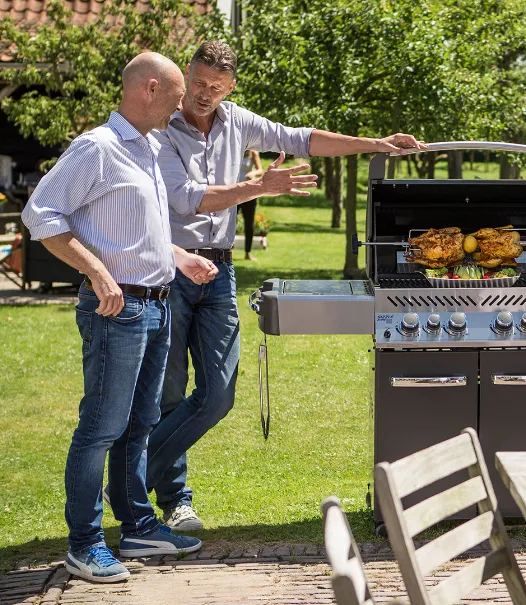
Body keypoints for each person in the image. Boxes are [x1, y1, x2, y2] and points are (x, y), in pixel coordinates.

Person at [145, 40, 427, 532]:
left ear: (230, 87)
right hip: (172, 267)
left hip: (220, 271)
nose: (204, 93)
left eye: (216, 86)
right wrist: (258, 187)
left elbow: (304, 139)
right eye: (198, 82)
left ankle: (128, 477)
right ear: (186, 76)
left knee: (218, 394)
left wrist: (376, 144)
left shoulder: (238, 121)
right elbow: (184, 199)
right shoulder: (162, 128)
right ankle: (175, 499)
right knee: (169, 393)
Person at [21, 52, 218, 584]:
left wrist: (178, 257)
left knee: (140, 424)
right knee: (101, 428)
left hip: (156, 304)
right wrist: (98, 274)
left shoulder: (150, 148)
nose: (182, 107)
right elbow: (40, 212)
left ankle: (136, 529)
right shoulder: (98, 149)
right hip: (118, 308)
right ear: (149, 89)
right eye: (177, 97)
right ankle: (84, 545)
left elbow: (136, 230)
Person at [237, 149, 263, 260]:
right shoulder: (234, 150)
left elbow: (260, 170)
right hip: (234, 192)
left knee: (249, 223)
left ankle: (248, 252)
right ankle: (227, 251)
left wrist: (253, 173)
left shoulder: (253, 153)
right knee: (229, 222)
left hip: (249, 192)